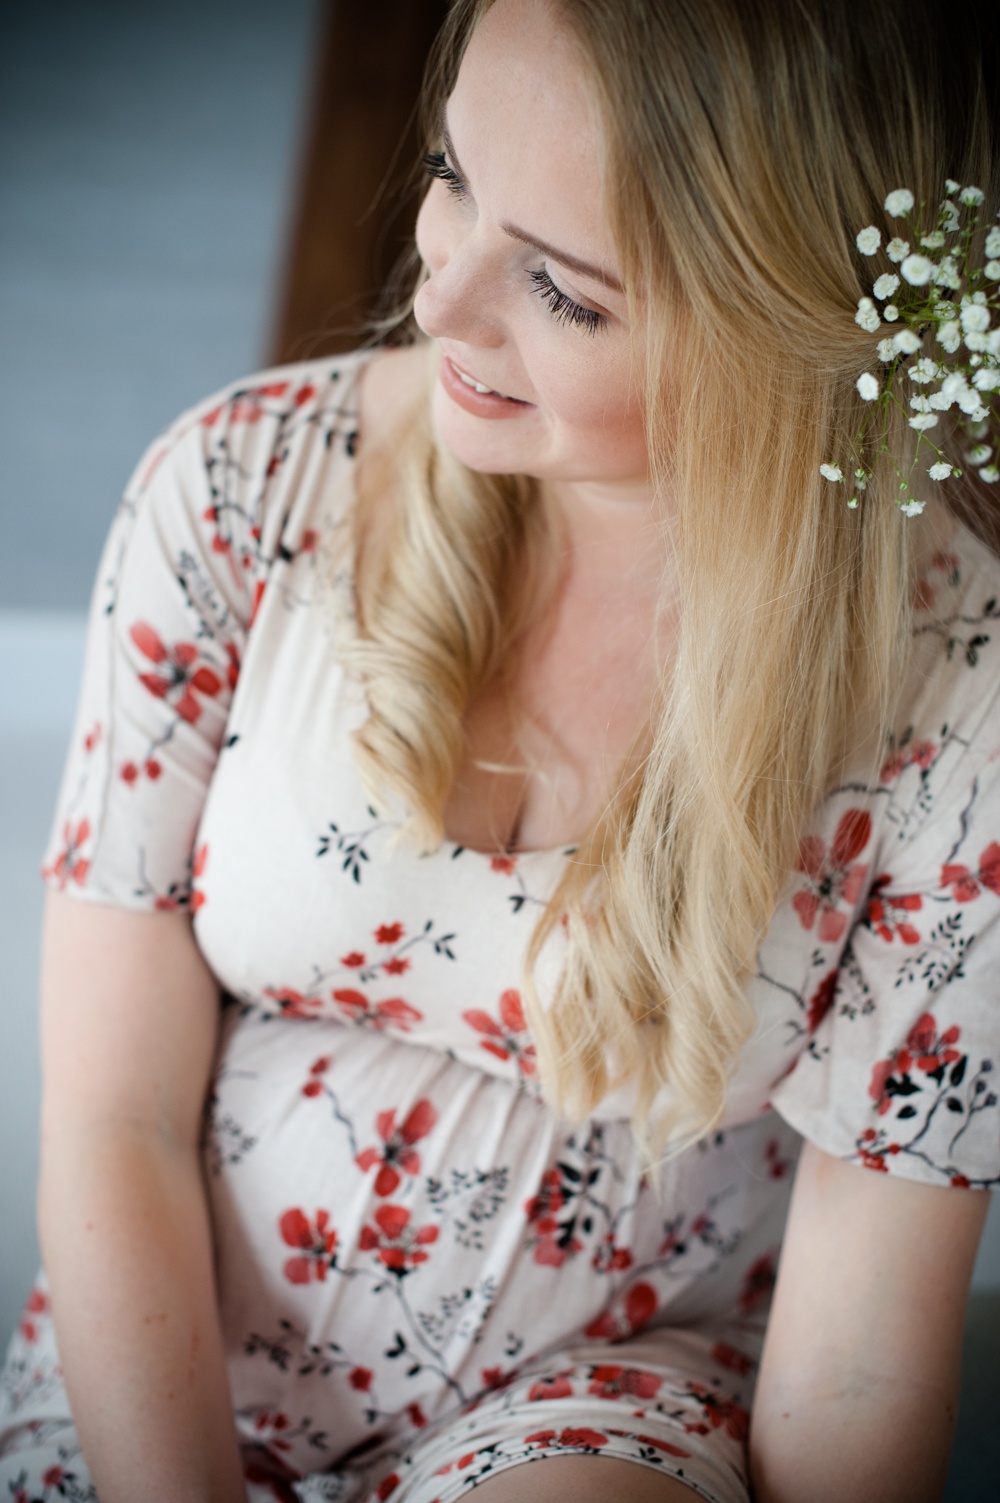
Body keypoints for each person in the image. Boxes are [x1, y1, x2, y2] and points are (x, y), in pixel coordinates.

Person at [1, 0, 997, 1498]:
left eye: (566, 293)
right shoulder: (238, 487)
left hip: (615, 1396)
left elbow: (856, 1366)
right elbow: (110, 1114)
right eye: (455, 176)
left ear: (793, 333)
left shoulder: (958, 690)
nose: (442, 298)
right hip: (172, 1349)